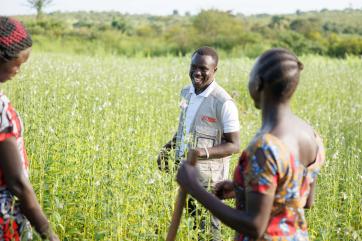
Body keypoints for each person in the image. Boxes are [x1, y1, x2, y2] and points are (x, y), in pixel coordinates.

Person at [176, 48, 325, 240]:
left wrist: (194, 187)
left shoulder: (264, 148)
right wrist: (241, 189)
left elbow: (254, 226)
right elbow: (304, 200)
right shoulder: (312, 135)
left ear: (258, 83)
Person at [158, 46, 240, 240]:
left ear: (214, 70)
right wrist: (167, 149)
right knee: (191, 228)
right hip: (185, 174)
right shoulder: (186, 92)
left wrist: (199, 152)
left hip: (208, 181)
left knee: (208, 231)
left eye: (203, 69)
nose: (197, 72)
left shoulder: (223, 103)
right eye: (194, 67)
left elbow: (234, 145)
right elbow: (184, 129)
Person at [0, 16, 59, 240]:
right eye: (17, 63)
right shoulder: (0, 110)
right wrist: (47, 232)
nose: (18, 70)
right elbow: (16, 183)